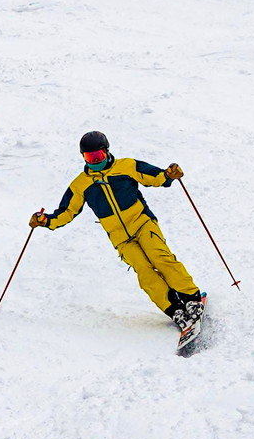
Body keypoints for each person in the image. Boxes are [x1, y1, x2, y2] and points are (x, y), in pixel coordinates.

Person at [29, 131, 205, 328]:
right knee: (144, 271)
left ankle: (192, 298)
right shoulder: (81, 185)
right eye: (90, 157)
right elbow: (67, 211)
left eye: (98, 156)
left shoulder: (127, 166)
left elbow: (154, 177)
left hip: (142, 223)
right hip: (120, 237)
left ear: (106, 151)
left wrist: (168, 175)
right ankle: (175, 309)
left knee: (160, 257)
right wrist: (45, 221)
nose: (95, 161)